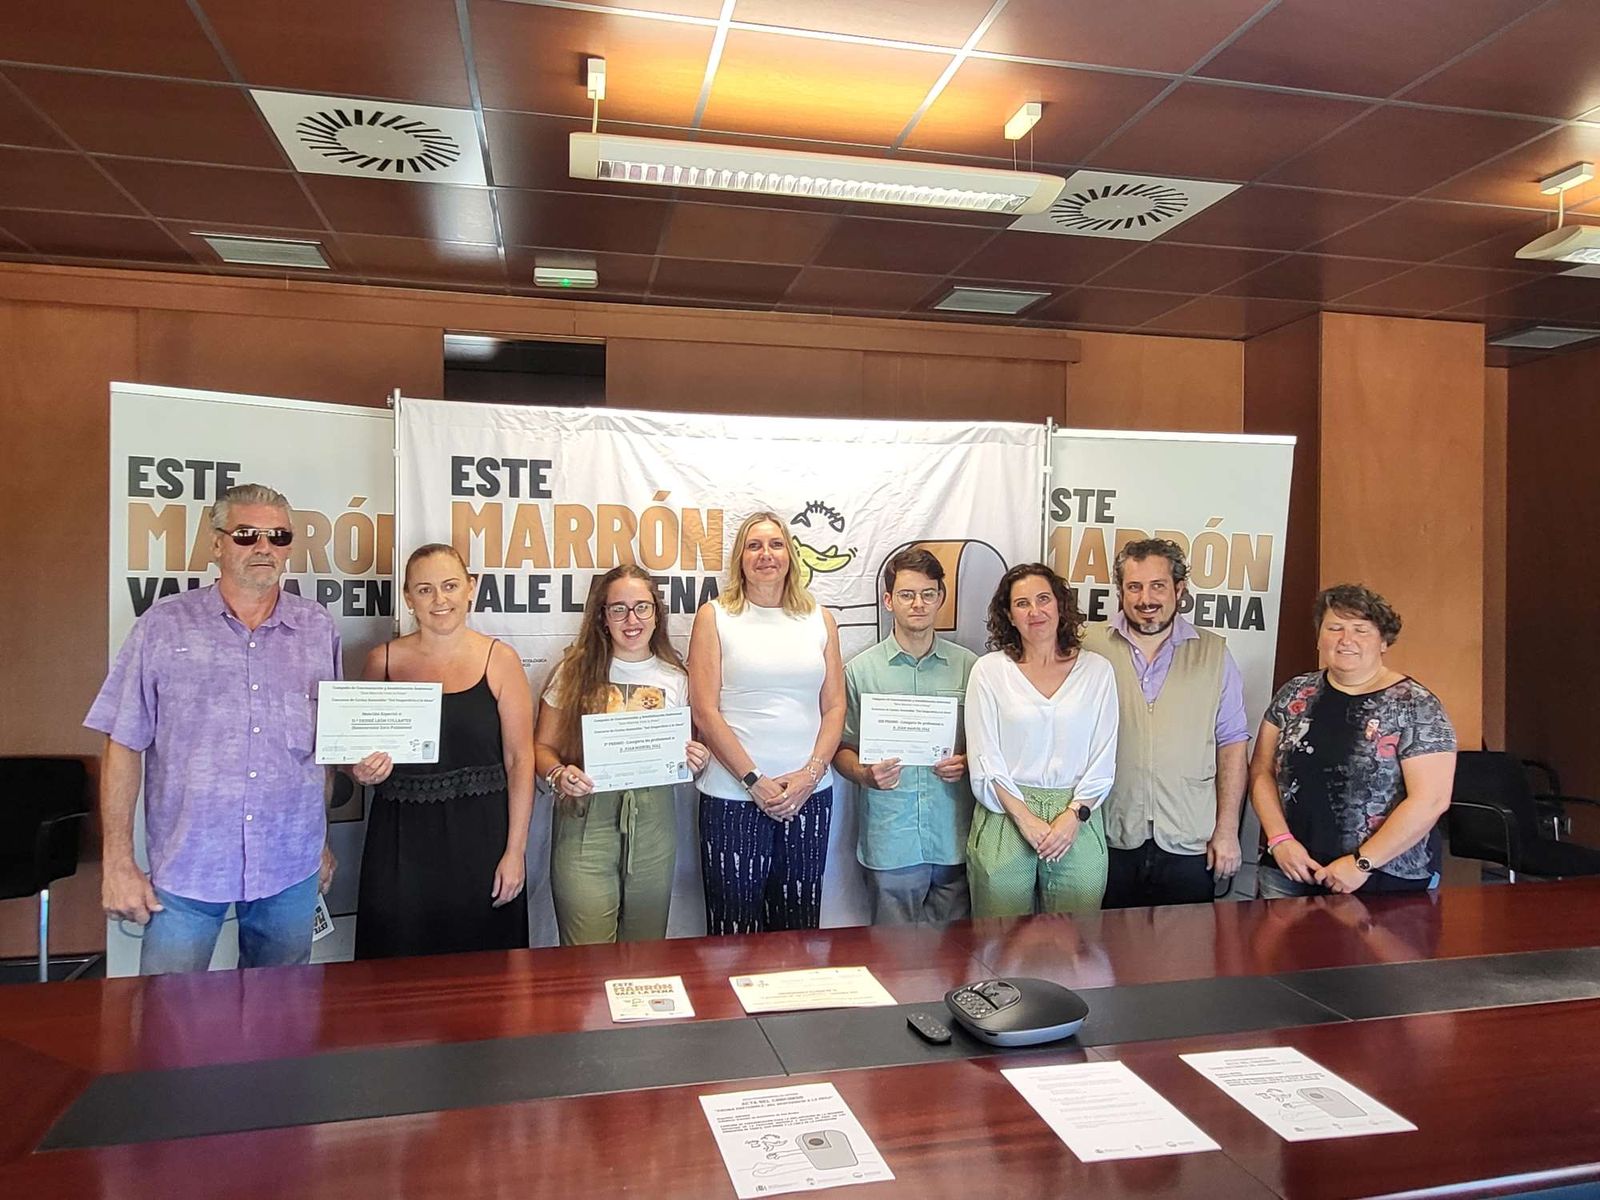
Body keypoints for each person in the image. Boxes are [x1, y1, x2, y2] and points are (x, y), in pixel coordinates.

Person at [87, 483, 341, 974]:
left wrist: (322, 838)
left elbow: (324, 751)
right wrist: (118, 861)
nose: (264, 547)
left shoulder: (318, 630)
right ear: (217, 543)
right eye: (247, 535)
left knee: (281, 1023)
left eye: (279, 536)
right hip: (188, 869)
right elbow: (122, 744)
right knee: (169, 1027)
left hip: (291, 866)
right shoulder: (162, 628)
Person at [348, 543, 533, 958]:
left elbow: (520, 761)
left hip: (482, 842)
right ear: (409, 597)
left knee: (484, 974)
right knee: (397, 970)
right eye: (426, 589)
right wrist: (358, 770)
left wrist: (515, 851)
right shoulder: (382, 662)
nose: (440, 599)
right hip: (400, 842)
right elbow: (351, 755)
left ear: (471, 588)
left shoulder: (500, 660)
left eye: (450, 586)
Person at [534, 565, 710, 944]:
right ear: (602, 616)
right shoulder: (573, 672)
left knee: (645, 956)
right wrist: (558, 774)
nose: (632, 619)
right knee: (587, 953)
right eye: (618, 609)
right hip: (585, 820)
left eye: (642, 607)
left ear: (656, 613)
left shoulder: (677, 678)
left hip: (653, 822)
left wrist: (697, 758)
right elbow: (541, 747)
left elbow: (687, 754)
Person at [689, 510, 845, 935]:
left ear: (790, 555)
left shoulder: (819, 618)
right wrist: (753, 780)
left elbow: (834, 708)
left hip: (808, 796)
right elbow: (704, 710)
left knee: (798, 926)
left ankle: (795, 1005)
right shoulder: (715, 616)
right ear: (740, 557)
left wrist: (810, 776)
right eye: (754, 546)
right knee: (732, 929)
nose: (766, 554)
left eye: (776, 544)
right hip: (732, 797)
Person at [1250, 584, 1456, 898]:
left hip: (1384, 881)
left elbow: (1431, 800)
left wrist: (1362, 863)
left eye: (1361, 630)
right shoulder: (1295, 693)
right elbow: (1261, 771)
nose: (1346, 640)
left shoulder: (1417, 705)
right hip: (1289, 871)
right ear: (1320, 637)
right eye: (1334, 628)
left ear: (1384, 641)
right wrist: (1280, 841)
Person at [1084, 539, 1250, 908]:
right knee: (1110, 956)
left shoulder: (1214, 652)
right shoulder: (1087, 647)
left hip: (1190, 839)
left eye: (1158, 585)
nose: (1146, 598)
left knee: (1186, 957)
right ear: (1120, 592)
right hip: (1108, 834)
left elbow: (1233, 744)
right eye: (1134, 587)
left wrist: (1226, 830)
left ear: (1179, 589)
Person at [964, 563, 1119, 918]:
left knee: (1077, 944)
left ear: (1060, 605)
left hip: (1077, 817)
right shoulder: (989, 672)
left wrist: (1073, 816)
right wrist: (1025, 819)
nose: (1035, 611)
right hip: (1005, 814)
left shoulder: (1097, 672)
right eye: (1022, 603)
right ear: (1009, 615)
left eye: (1043, 599)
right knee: (999, 941)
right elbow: (985, 756)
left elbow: (1104, 756)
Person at [833, 548, 978, 924]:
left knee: (954, 963)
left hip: (954, 839)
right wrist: (865, 774)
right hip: (890, 842)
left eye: (928, 594)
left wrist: (969, 762)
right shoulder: (859, 671)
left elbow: (990, 746)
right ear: (888, 601)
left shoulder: (970, 667)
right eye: (907, 595)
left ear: (941, 599)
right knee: (893, 962)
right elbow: (841, 749)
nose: (918, 604)